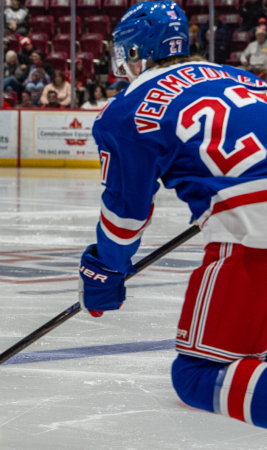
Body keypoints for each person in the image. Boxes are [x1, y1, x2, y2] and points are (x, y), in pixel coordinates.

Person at [82, 0, 267, 430]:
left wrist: (105, 270)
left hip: (254, 232)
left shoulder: (127, 108)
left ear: (134, 52)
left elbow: (126, 216)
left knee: (198, 375)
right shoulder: (243, 77)